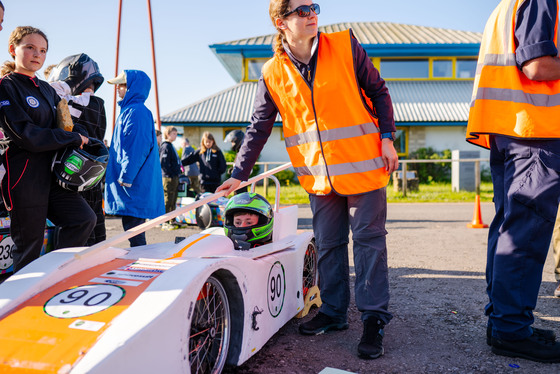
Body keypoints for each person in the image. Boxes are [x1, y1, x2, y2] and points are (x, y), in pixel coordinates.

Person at [217, 0, 398, 360]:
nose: (312, 14)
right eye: (301, 10)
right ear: (280, 22)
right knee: (329, 244)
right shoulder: (272, 72)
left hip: (363, 165)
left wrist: (388, 137)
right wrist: (237, 175)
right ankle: (333, 312)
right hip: (318, 175)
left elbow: (379, 91)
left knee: (368, 242)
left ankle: (373, 319)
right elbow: (259, 128)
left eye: (314, 6)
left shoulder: (345, 45)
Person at [466, 0, 560, 363]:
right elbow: (537, 65)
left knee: (509, 229)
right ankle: (510, 330)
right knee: (524, 235)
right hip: (534, 131)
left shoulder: (508, 5)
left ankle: (505, 321)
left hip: (511, 129)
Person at [0, 26, 95, 271]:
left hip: (53, 176)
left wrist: (81, 134)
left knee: (83, 219)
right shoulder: (6, 87)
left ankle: (54, 274)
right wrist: (70, 138)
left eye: (42, 50)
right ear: (13, 49)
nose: (37, 54)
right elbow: (26, 135)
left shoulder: (45, 89)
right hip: (24, 178)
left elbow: (69, 125)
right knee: (29, 248)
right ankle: (18, 302)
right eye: (30, 47)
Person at [47, 53, 107, 245]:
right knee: (95, 222)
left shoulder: (87, 102)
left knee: (81, 226)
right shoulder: (97, 104)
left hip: (75, 170)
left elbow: (53, 94)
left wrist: (68, 84)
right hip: (92, 174)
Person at [104, 70, 165, 247]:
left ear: (132, 88)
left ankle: (140, 266)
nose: (118, 88)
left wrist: (126, 176)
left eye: (122, 85)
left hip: (133, 183)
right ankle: (140, 263)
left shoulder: (135, 112)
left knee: (134, 230)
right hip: (135, 181)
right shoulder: (133, 111)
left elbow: (137, 148)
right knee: (133, 229)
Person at [159, 126, 182, 230]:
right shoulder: (165, 146)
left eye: (176, 134)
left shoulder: (171, 146)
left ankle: (172, 219)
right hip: (168, 177)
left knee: (173, 199)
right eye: (174, 134)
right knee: (167, 199)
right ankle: (165, 221)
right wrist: (171, 173)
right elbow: (163, 163)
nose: (176, 136)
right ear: (168, 134)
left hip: (174, 176)